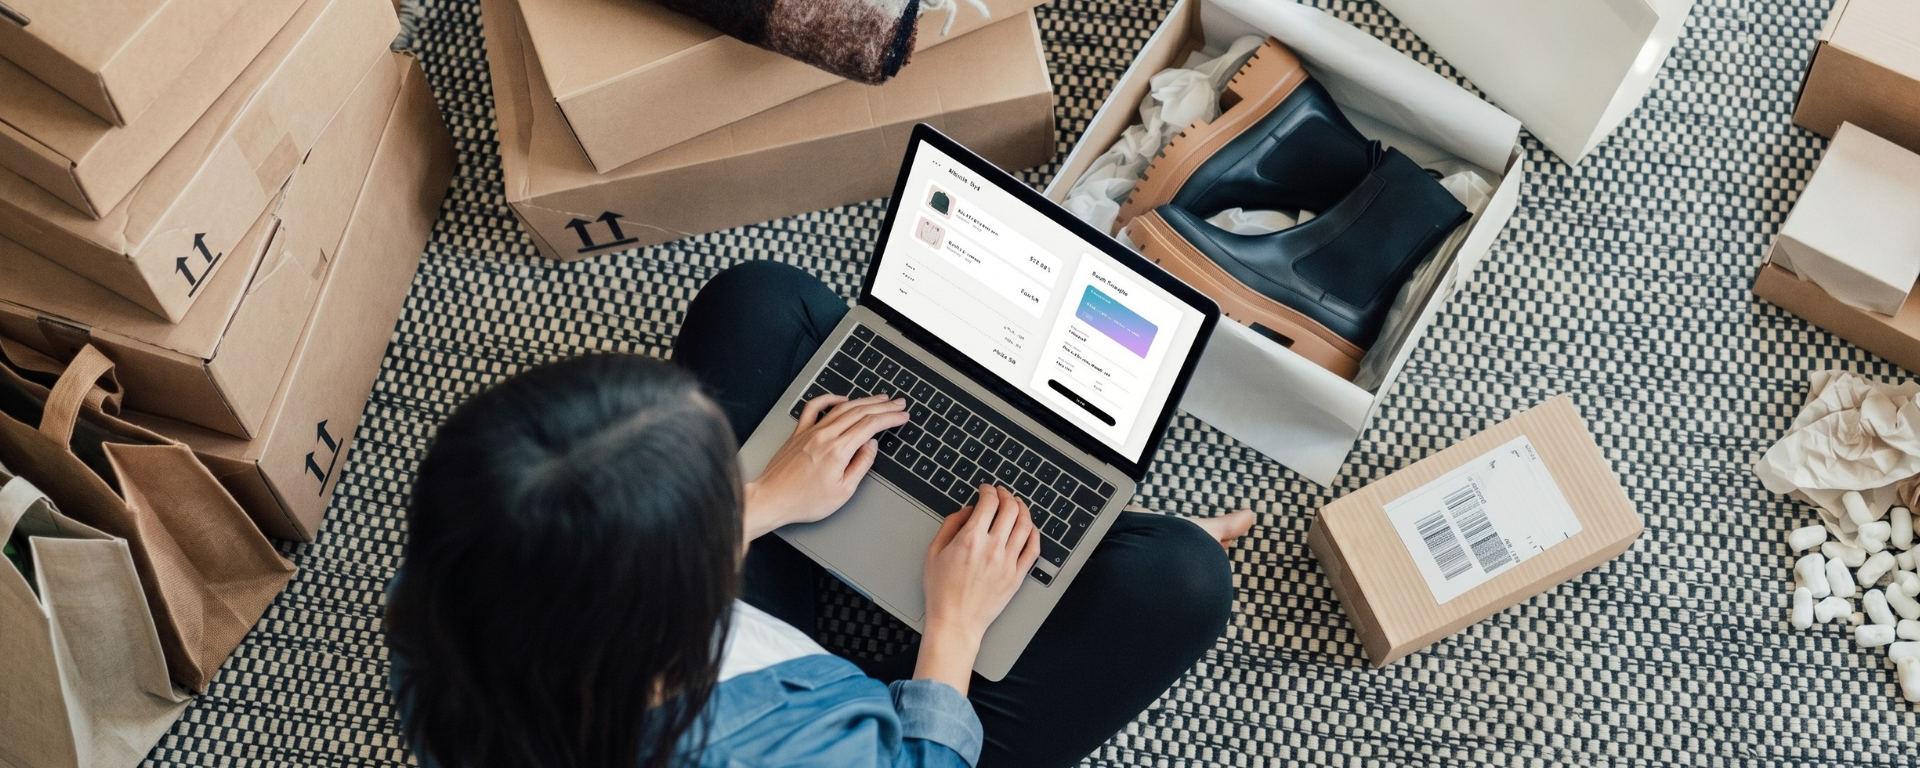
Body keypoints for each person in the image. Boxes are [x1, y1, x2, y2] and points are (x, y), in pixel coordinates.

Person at [386, 261, 1254, 768]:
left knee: (757, 298)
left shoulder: (454, 609)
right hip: (875, 729)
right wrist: (953, 627)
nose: (736, 474)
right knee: (1179, 580)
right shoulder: (808, 752)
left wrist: (767, 497)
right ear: (676, 601)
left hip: (694, 661)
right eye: (717, 492)